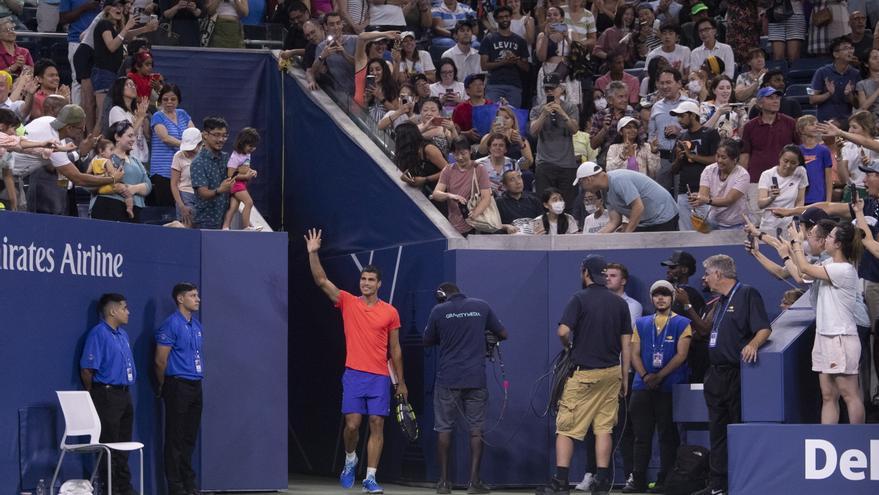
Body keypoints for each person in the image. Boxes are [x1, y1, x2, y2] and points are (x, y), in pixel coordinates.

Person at [305, 228, 406, 494]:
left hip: (380, 377)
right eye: (363, 279)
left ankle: (371, 477)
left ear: (379, 284)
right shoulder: (348, 302)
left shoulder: (390, 312)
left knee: (377, 423)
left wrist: (401, 382)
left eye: (371, 280)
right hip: (354, 374)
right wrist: (313, 253)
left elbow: (395, 349)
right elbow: (321, 280)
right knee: (352, 426)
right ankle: (351, 459)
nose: (366, 283)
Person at [536, 254, 632, 495]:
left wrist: (568, 346)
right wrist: (625, 377)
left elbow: (562, 331)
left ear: (586, 272)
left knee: (566, 428)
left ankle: (560, 482)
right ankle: (601, 482)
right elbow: (626, 343)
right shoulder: (619, 303)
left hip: (584, 374)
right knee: (604, 428)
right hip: (612, 374)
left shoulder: (579, 298)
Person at [692, 255, 771, 495]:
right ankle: (717, 485)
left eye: (707, 273)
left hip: (737, 374)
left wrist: (754, 344)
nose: (704, 278)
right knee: (717, 432)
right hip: (715, 374)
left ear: (718, 274)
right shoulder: (719, 301)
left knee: (736, 430)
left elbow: (764, 328)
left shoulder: (747, 293)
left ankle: (739, 483)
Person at [423, 282, 507, 494]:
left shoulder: (438, 310)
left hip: (448, 379)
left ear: (442, 295)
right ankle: (474, 482)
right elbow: (503, 333)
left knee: (444, 427)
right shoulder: (481, 306)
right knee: (476, 429)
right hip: (475, 378)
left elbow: (427, 340)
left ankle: (443, 483)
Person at [790, 219, 866, 425]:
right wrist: (787, 248)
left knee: (849, 394)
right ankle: (828, 438)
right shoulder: (828, 264)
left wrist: (797, 242)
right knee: (828, 395)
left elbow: (804, 266)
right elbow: (801, 273)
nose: (827, 241)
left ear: (839, 244)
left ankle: (856, 442)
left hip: (840, 337)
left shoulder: (843, 270)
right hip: (823, 336)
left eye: (831, 237)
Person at [626, 280, 692, 494]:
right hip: (642, 386)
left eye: (665, 294)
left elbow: (681, 355)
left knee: (667, 436)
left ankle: (665, 480)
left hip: (668, 387)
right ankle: (638, 480)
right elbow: (634, 353)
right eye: (656, 295)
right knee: (641, 437)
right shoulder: (642, 323)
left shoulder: (682, 323)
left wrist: (659, 376)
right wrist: (645, 375)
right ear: (651, 297)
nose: (660, 298)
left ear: (672, 297)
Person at [79, 293, 138, 495]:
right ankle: (110, 489)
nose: (128, 312)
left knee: (123, 446)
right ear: (113, 311)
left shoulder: (123, 335)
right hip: (106, 395)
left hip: (124, 394)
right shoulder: (98, 334)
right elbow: (87, 369)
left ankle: (124, 487)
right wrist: (93, 393)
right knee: (109, 446)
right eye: (124, 308)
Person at [12, 104, 115, 215]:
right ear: (69, 128)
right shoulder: (51, 139)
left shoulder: (47, 120)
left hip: (13, 176)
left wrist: (80, 152)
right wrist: (112, 179)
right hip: (7, 177)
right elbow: (78, 179)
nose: (83, 130)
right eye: (80, 128)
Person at [155, 282, 204, 495]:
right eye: (193, 295)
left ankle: (188, 483)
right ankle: (174, 487)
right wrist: (163, 385)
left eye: (197, 295)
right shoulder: (171, 324)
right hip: (177, 385)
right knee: (175, 439)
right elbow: (160, 361)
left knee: (189, 438)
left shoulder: (197, 326)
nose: (198, 299)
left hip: (196, 385)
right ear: (180, 299)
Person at [576, 162, 680, 232]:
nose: (582, 188)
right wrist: (596, 239)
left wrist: (627, 234)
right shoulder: (605, 191)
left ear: (588, 179)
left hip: (664, 215)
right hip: (645, 222)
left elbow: (638, 207)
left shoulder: (618, 179)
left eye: (581, 183)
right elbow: (614, 221)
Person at [529, 73, 579, 206]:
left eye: (552, 88)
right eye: (547, 89)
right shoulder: (536, 109)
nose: (549, 92)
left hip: (567, 164)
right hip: (545, 164)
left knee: (568, 205)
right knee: (545, 205)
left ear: (561, 89)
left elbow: (574, 130)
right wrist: (544, 114)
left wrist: (562, 113)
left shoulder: (570, 108)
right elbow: (533, 132)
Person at [672, 99, 720, 230]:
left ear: (693, 115)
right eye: (678, 116)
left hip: (706, 192)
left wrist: (692, 156)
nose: (679, 120)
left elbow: (717, 160)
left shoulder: (710, 133)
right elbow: (673, 170)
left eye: (682, 116)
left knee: (708, 231)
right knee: (686, 235)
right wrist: (678, 158)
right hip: (684, 191)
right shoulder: (680, 137)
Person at [430, 136, 492, 236]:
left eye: (463, 153)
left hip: (474, 224)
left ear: (470, 151)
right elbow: (436, 194)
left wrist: (475, 213)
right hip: (453, 223)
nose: (460, 157)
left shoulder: (479, 169)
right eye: (456, 154)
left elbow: (486, 197)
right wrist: (450, 195)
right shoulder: (448, 170)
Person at [649, 67, 695, 194]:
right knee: (661, 199)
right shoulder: (656, 107)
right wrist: (652, 144)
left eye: (668, 82)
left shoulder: (691, 104)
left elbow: (697, 132)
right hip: (662, 159)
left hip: (684, 159)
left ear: (679, 83)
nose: (664, 86)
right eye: (662, 83)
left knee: (682, 197)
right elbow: (651, 134)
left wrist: (680, 132)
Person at [740, 87, 799, 184]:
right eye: (770, 98)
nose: (776, 101)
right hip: (757, 179)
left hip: (785, 179)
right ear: (760, 104)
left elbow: (799, 150)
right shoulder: (750, 126)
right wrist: (742, 180)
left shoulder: (790, 123)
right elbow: (745, 155)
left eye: (777, 98)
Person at [688, 138, 749, 230]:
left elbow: (728, 200)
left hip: (736, 225)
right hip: (713, 222)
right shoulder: (708, 170)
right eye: (717, 156)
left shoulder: (743, 175)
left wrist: (706, 200)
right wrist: (697, 198)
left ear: (735, 159)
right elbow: (703, 195)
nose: (719, 160)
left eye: (723, 157)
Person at [151, 84, 195, 206]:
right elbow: (165, 138)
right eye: (165, 99)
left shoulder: (183, 114)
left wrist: (192, 142)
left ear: (178, 100)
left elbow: (193, 133)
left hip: (183, 170)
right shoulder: (157, 116)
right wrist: (187, 145)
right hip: (163, 171)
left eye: (173, 99)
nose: (169, 102)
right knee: (166, 210)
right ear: (160, 101)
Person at [190, 116, 236, 229]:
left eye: (224, 135)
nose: (221, 139)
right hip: (206, 221)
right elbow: (203, 193)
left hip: (224, 220)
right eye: (217, 135)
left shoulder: (226, 158)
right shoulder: (198, 162)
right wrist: (220, 190)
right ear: (205, 135)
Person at [479, 6, 529, 108]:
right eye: (501, 17)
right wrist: (503, 62)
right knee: (493, 117)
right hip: (494, 84)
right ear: (496, 19)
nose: (504, 19)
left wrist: (515, 60)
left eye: (506, 16)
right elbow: (483, 65)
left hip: (514, 85)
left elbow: (526, 67)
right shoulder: (489, 39)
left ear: (511, 17)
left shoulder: (520, 41)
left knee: (513, 118)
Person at [757, 144, 808, 234]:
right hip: (769, 226)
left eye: (793, 163)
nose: (788, 165)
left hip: (789, 227)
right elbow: (760, 204)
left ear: (798, 163)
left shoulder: (801, 172)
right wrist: (772, 197)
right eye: (785, 161)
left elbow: (800, 201)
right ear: (780, 158)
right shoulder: (767, 175)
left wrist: (794, 219)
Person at [809, 36, 860, 123]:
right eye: (845, 48)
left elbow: (857, 104)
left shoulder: (855, 73)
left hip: (846, 123)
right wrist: (829, 94)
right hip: (825, 123)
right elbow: (812, 99)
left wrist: (849, 95)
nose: (850, 51)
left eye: (851, 48)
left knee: (842, 134)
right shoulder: (821, 72)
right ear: (836, 54)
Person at [60, 0, 102, 105]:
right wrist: (85, 7)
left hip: (102, 41)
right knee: (78, 80)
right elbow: (63, 18)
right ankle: (76, 115)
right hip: (77, 41)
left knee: (99, 80)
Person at [221, 127, 260, 231]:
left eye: (254, 147)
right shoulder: (235, 156)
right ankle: (246, 226)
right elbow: (230, 175)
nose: (252, 149)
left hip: (241, 184)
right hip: (236, 184)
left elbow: (245, 167)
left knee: (233, 207)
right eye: (250, 146)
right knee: (249, 202)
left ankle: (225, 227)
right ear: (242, 143)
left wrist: (252, 171)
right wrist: (246, 177)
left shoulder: (247, 154)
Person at [394, 121, 447, 196]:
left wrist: (426, 179)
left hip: (441, 190)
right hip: (425, 191)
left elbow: (448, 170)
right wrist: (406, 177)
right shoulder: (410, 153)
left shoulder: (429, 149)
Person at [86, 137, 134, 219]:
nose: (113, 152)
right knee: (128, 194)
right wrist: (119, 171)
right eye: (111, 149)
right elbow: (113, 175)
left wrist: (99, 175)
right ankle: (129, 208)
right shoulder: (107, 161)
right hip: (110, 186)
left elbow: (88, 173)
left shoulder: (93, 160)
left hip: (100, 189)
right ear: (101, 151)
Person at [312, 12, 357, 96]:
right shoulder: (321, 47)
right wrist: (322, 56)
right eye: (332, 24)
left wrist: (344, 54)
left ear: (342, 24)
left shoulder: (355, 40)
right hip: (339, 94)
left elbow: (362, 65)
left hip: (358, 91)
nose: (336, 27)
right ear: (325, 27)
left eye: (338, 23)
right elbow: (314, 72)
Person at [837, 111, 879, 199]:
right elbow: (843, 179)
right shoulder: (847, 146)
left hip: (873, 191)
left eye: (854, 127)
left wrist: (870, 164)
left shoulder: (877, 143)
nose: (850, 131)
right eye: (850, 127)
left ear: (866, 128)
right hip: (851, 191)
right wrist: (839, 154)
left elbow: (865, 142)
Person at [796, 115, 833, 205]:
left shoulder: (823, 150)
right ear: (801, 129)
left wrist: (828, 201)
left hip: (819, 198)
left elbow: (828, 178)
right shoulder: (797, 151)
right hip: (800, 197)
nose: (816, 126)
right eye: (812, 124)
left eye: (816, 124)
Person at [170, 127, 201, 227]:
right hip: (185, 196)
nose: (188, 151)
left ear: (200, 144)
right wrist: (181, 206)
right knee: (187, 228)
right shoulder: (178, 156)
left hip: (202, 196)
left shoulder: (205, 156)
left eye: (191, 148)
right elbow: (174, 184)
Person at [701, 76, 745, 140]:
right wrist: (718, 113)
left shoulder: (735, 111)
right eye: (721, 88)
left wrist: (741, 119)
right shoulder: (705, 106)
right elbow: (703, 131)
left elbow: (741, 136)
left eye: (728, 88)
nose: (725, 91)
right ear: (714, 90)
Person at [451, 73, 490, 142]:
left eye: (481, 84)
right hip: (467, 145)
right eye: (475, 85)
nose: (479, 87)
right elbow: (453, 131)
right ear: (467, 90)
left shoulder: (491, 105)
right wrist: (467, 134)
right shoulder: (460, 108)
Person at [856, 49, 879, 118]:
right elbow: (863, 108)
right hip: (873, 119)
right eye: (875, 58)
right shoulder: (862, 84)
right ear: (866, 64)